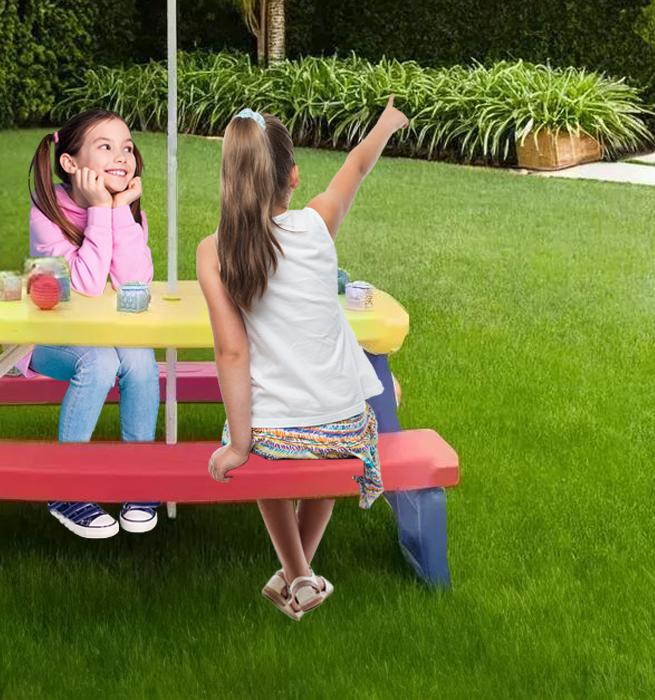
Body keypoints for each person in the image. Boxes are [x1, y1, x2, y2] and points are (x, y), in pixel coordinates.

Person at [196, 99, 410, 618]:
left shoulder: (215, 251)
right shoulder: (317, 224)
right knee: (342, 421)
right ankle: (299, 576)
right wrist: (385, 123)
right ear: (292, 176)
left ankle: (297, 574)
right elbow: (355, 165)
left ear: (231, 177)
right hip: (344, 429)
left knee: (263, 433)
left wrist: (239, 445)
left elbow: (231, 351)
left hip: (271, 435)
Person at [26, 108, 161, 539]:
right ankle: (66, 487)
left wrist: (119, 211)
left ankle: (138, 479)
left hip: (110, 332)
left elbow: (132, 283)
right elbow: (83, 284)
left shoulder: (127, 210)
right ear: (70, 163)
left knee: (140, 361)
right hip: (50, 340)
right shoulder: (47, 213)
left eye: (126, 148)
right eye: (105, 147)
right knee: (100, 363)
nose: (122, 157)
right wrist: (102, 209)